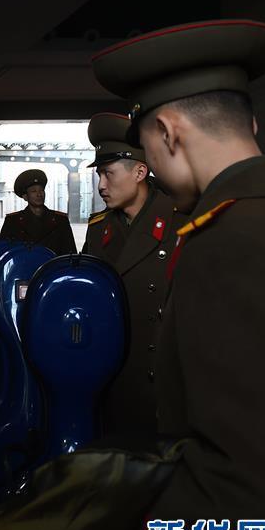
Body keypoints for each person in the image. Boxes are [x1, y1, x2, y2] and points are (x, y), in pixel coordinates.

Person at [92, 20, 265, 530]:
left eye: (148, 150)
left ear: (167, 133)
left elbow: (239, 486)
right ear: (251, 125)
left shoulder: (228, 242)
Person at [82, 112, 186, 436]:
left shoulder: (180, 223)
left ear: (140, 172)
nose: (101, 185)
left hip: (160, 387)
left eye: (108, 174)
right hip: (111, 380)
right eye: (99, 175)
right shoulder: (98, 229)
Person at [0, 169, 77, 255]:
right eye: (34, 191)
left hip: (53, 263)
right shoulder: (13, 221)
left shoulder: (61, 220)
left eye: (41, 190)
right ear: (25, 197)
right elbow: (3, 253)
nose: (39, 194)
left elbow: (71, 254)